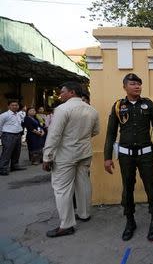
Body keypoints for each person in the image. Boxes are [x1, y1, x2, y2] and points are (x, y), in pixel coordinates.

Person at [104, 73, 153, 242]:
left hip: (146, 153)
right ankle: (130, 222)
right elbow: (110, 134)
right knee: (127, 189)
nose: (137, 86)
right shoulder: (118, 106)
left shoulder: (148, 104)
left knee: (151, 188)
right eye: (133, 84)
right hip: (126, 156)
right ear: (125, 86)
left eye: (139, 83)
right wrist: (107, 157)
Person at [43, 81, 100, 238]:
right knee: (83, 183)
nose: (60, 94)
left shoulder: (62, 109)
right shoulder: (92, 110)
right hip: (84, 152)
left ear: (72, 92)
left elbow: (54, 134)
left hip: (65, 155)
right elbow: (95, 131)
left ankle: (67, 225)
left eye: (63, 91)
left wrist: (47, 156)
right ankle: (84, 214)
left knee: (62, 189)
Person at [0, 100, 26, 175]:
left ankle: (14, 165)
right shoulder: (4, 115)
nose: (15, 106)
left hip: (18, 134)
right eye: (12, 105)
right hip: (8, 135)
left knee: (16, 152)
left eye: (16, 105)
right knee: (7, 152)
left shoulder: (18, 114)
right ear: (8, 106)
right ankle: (3, 168)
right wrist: (1, 135)